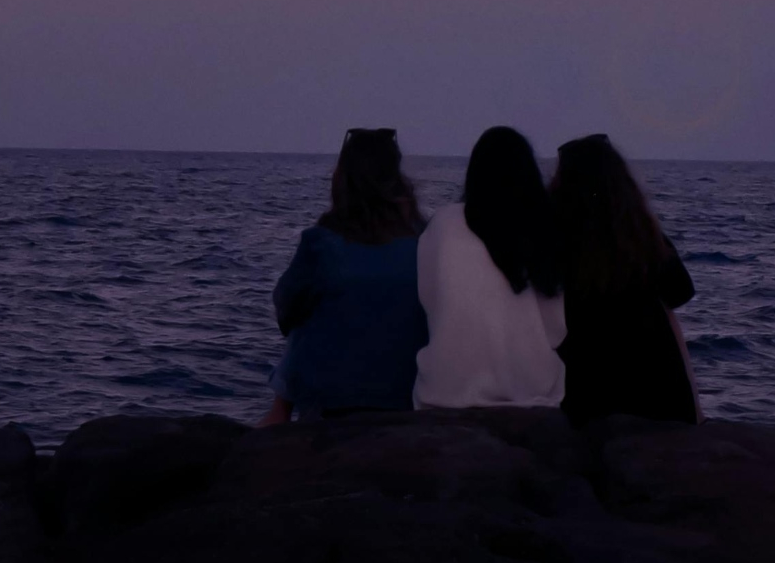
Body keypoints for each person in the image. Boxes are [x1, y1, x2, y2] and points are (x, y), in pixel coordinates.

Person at [261, 127, 427, 423]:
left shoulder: (322, 242)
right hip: (406, 395)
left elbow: (285, 311)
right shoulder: (424, 241)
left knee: (307, 313)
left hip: (333, 402)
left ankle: (278, 413)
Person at [550, 133, 700, 425]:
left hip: (585, 391)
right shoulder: (641, 237)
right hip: (654, 392)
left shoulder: (553, 236)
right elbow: (680, 291)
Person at [413, 126, 566, 408]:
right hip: (529, 390)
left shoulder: (444, 224)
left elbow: (430, 302)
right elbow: (557, 329)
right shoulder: (541, 229)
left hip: (445, 390)